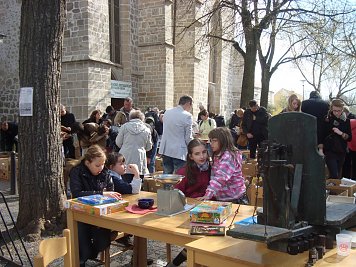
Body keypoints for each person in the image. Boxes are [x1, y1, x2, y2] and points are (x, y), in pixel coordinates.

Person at [69, 145, 121, 267]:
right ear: (87, 162)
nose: (101, 168)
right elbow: (76, 194)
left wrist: (109, 196)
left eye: (103, 164)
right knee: (83, 247)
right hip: (81, 215)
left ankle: (88, 257)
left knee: (103, 242)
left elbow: (110, 190)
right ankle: (82, 260)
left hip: (100, 216)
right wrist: (101, 193)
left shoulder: (105, 172)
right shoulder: (77, 171)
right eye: (97, 165)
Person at [165, 139, 211, 267]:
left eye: (204, 152)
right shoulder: (183, 172)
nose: (202, 156)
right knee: (202, 237)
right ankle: (178, 263)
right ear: (190, 156)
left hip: (209, 211)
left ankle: (175, 263)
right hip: (188, 213)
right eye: (197, 154)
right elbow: (176, 196)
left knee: (210, 236)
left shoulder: (212, 168)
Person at [198, 127, 247, 203]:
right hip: (224, 197)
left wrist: (208, 194)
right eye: (210, 141)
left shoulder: (228, 156)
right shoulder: (219, 154)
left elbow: (221, 177)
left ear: (223, 141)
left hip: (234, 198)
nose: (211, 143)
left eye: (214, 141)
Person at [158, 95, 194, 174]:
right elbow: (188, 137)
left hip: (166, 149)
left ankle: (166, 187)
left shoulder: (167, 112)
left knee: (167, 175)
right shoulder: (187, 116)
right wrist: (193, 148)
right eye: (191, 105)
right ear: (188, 103)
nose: (191, 108)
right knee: (179, 176)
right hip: (179, 151)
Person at [320, 99, 352, 179]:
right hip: (330, 150)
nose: (337, 113)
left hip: (341, 151)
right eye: (335, 111)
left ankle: (332, 191)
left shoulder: (346, 121)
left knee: (336, 175)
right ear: (331, 109)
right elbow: (321, 134)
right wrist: (320, 149)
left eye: (339, 111)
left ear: (342, 109)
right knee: (335, 175)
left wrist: (341, 133)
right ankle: (332, 190)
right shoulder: (327, 119)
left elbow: (349, 138)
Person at [115, 110, 152, 176]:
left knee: (125, 179)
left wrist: (125, 146)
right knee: (137, 178)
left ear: (130, 117)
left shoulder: (124, 127)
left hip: (125, 155)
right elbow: (149, 147)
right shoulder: (146, 129)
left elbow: (118, 142)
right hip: (139, 157)